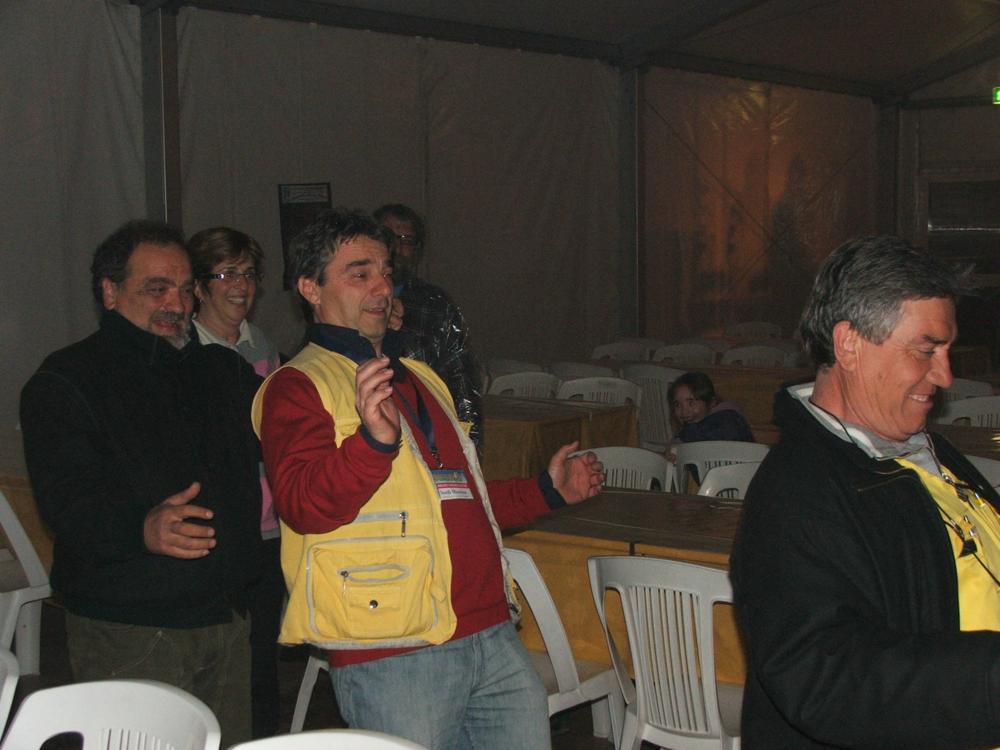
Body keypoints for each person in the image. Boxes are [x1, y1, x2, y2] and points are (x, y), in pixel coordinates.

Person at [253, 208, 604, 750]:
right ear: (310, 288)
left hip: (490, 631)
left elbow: (454, 500)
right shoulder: (298, 385)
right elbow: (302, 506)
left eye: (385, 272)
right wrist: (371, 443)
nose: (381, 287)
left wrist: (546, 491)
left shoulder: (419, 376)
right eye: (359, 273)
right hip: (393, 647)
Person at [730, 235, 1000, 749]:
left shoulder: (921, 448)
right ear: (850, 345)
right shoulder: (796, 492)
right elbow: (824, 677)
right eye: (926, 350)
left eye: (946, 351)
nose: (945, 376)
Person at [19, 220, 262, 747]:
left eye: (185, 288)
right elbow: (67, 503)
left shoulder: (218, 370)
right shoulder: (67, 379)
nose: (176, 303)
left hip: (225, 617)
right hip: (130, 626)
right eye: (157, 288)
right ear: (110, 292)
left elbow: (292, 426)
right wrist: (141, 527)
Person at [189, 226, 283, 738]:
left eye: (247, 273)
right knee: (214, 660)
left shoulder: (260, 343)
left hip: (268, 526)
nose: (240, 286)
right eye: (226, 274)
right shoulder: (183, 351)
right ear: (200, 286)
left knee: (261, 658)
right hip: (217, 528)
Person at [373, 203, 485, 448]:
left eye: (407, 241)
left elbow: (461, 379)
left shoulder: (435, 304)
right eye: (389, 237)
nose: (397, 248)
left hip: (427, 433)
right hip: (367, 427)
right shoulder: (351, 299)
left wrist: (469, 445)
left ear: (417, 251)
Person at [668, 371, 754, 443]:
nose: (684, 411)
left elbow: (707, 433)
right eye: (677, 405)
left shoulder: (729, 418)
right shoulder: (690, 431)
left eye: (691, 403)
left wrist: (679, 440)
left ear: (711, 403)